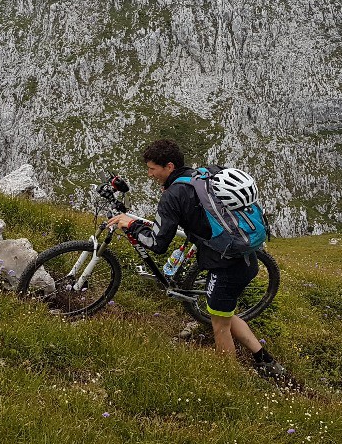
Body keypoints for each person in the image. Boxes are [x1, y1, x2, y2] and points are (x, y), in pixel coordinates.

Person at [108, 138, 283, 377]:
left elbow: (157, 244)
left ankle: (228, 378)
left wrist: (132, 225)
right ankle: (264, 358)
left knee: (220, 325)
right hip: (245, 257)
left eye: (152, 169)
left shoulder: (173, 196)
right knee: (225, 313)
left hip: (226, 268)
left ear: (169, 166)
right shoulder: (202, 174)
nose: (149, 174)